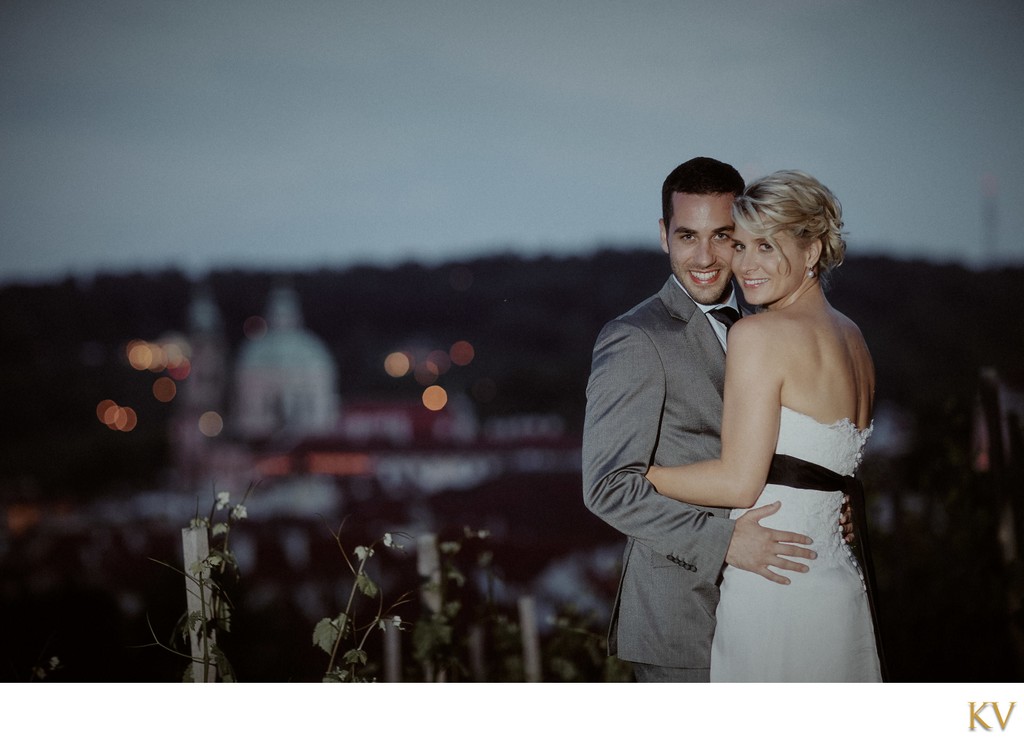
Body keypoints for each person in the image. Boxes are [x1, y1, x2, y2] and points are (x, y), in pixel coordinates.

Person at [582, 157, 820, 683]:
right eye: (688, 235)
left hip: (772, 607)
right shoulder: (635, 340)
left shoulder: (764, 326)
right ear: (664, 235)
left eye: (724, 236)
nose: (706, 256)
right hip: (681, 623)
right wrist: (724, 542)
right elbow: (607, 487)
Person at [645, 169, 883, 681]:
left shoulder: (758, 335)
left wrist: (640, 475)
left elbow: (738, 481)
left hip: (774, 582)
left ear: (813, 251)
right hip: (835, 580)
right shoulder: (854, 338)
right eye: (741, 245)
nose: (745, 266)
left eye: (767, 248)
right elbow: (831, 472)